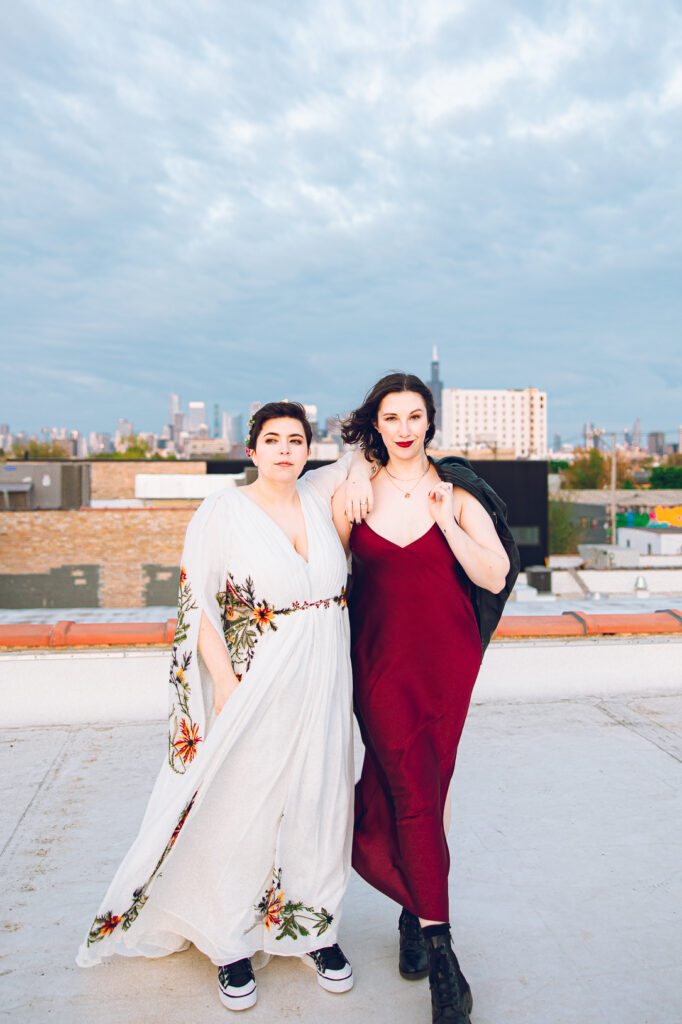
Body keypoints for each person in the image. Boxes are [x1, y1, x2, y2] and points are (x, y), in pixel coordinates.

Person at [77, 401, 373, 1013]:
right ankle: (227, 939)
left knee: (319, 799)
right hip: (258, 677)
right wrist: (224, 680)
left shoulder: (319, 497)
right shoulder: (224, 512)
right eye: (273, 440)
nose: (286, 450)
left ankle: (314, 929)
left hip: (324, 674)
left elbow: (363, 456)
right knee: (240, 802)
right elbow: (196, 604)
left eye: (296, 439)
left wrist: (364, 473)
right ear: (252, 450)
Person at [333, 373, 514, 1024]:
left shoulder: (454, 490)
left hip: (446, 664)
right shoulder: (352, 492)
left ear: (429, 422)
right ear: (375, 424)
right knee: (404, 793)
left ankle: (417, 918)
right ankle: (443, 956)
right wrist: (354, 467)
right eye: (392, 417)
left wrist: (448, 522)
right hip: (379, 665)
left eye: (415, 416)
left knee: (422, 794)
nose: (404, 427)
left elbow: (493, 573)